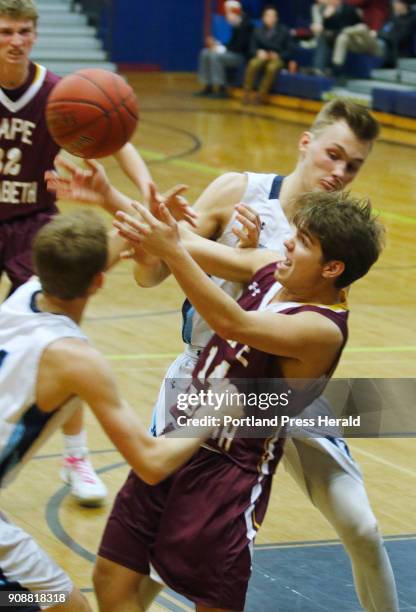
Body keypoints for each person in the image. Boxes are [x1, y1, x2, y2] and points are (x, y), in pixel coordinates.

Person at [46, 98, 399, 611]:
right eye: (333, 155)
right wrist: (109, 196)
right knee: (133, 563)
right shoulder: (255, 212)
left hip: (268, 405)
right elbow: (177, 246)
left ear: (327, 264)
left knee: (361, 526)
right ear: (307, 143)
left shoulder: (327, 268)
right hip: (203, 381)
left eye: (354, 164)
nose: (340, 171)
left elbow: (220, 301)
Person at [92, 190, 384, 612]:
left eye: (302, 241)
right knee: (111, 582)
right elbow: (185, 243)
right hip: (176, 441)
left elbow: (232, 321)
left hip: (226, 476)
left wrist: (171, 249)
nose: (287, 242)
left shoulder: (322, 330)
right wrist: (120, 204)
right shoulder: (270, 266)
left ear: (332, 268)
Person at [0, 210, 235, 611]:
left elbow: (88, 254)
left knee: (65, 604)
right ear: (99, 282)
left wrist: (140, 211)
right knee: (67, 607)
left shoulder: (25, 295)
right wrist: (214, 412)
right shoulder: (77, 360)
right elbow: (151, 462)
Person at [0, 0, 157, 506]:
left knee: (62, 342)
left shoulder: (56, 92)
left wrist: (145, 183)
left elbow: (114, 135)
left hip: (35, 227)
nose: (15, 41)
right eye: (6, 31)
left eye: (24, 31)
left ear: (35, 36)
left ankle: (76, 457)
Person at [333, 0, 416, 76]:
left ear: (403, 5)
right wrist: (379, 34)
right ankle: (337, 69)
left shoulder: (410, 19)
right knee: (343, 38)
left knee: (362, 28)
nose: (394, 5)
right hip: (375, 43)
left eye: (396, 3)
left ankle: (341, 30)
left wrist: (379, 34)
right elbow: (383, 31)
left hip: (384, 48)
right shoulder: (393, 18)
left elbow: (398, 38)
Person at [195, 0, 253, 99]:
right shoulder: (236, 23)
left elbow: (239, 47)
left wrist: (221, 49)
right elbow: (232, 43)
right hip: (232, 52)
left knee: (215, 56)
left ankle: (221, 88)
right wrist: (218, 45)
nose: (226, 16)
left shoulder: (246, 25)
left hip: (240, 56)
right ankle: (208, 85)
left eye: (228, 13)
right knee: (205, 53)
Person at [242, 5, 294, 104]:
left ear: (276, 18)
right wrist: (258, 52)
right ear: (263, 18)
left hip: (277, 57)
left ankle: (260, 96)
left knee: (272, 68)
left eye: (272, 16)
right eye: (268, 16)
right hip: (262, 56)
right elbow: (251, 48)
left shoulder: (284, 31)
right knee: (253, 64)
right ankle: (246, 93)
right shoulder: (257, 30)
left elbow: (289, 51)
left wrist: (279, 55)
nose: (270, 18)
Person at [312, 0, 361, 75]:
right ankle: (318, 69)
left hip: (349, 38)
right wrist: (326, 18)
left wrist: (331, 18)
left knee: (341, 38)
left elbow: (351, 28)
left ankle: (336, 70)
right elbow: (324, 28)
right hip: (333, 36)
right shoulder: (324, 9)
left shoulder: (348, 9)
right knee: (323, 37)